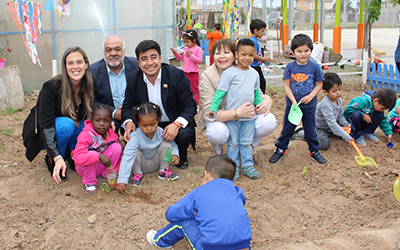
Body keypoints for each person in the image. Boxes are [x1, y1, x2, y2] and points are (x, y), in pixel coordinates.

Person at [146, 155, 252, 249]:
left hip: (211, 247)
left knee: (183, 222)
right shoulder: (237, 191)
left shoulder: (200, 192)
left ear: (206, 174)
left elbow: (172, 214)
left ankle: (158, 241)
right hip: (243, 246)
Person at [22, 46, 94, 184]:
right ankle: (53, 159)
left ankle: (74, 155)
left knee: (86, 124)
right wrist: (57, 156)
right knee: (67, 125)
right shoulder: (51, 87)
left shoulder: (89, 85)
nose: (75, 67)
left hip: (68, 129)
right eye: (70, 63)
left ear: (86, 64)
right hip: (43, 134)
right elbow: (46, 125)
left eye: (79, 62)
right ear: (65, 66)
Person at [122, 40, 197, 170]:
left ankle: (181, 155)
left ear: (161, 58)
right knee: (128, 130)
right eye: (144, 59)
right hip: (148, 122)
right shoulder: (133, 78)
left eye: (154, 57)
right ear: (138, 63)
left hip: (172, 121)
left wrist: (176, 124)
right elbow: (128, 105)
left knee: (184, 133)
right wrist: (128, 122)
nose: (150, 63)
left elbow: (190, 106)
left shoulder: (176, 75)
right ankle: (147, 157)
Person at [198, 39, 276, 163]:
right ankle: (217, 150)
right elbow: (208, 111)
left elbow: (258, 93)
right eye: (218, 53)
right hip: (221, 116)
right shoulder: (208, 75)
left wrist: (268, 101)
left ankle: (250, 145)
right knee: (217, 132)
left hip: (246, 118)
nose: (222, 56)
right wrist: (236, 114)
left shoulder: (247, 71)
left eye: (226, 52)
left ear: (235, 55)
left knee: (269, 121)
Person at [207, 38, 263, 182]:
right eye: (243, 54)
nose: (247, 58)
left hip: (249, 116)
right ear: (237, 55)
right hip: (234, 117)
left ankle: (248, 165)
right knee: (233, 143)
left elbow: (256, 92)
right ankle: (234, 167)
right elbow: (220, 93)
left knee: (246, 142)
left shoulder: (254, 74)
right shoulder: (229, 73)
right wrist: (213, 109)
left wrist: (260, 104)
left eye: (251, 55)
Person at [269, 34, 327, 165]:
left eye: (306, 51)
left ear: (311, 50)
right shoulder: (290, 67)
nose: (303, 54)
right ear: (293, 52)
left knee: (311, 129)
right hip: (293, 106)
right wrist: (293, 100)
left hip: (310, 106)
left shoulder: (315, 67)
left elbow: (319, 84)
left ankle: (314, 151)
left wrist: (311, 96)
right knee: (288, 129)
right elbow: (286, 85)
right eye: (299, 51)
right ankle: (281, 149)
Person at [116, 102, 179, 193]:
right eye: (144, 125)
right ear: (138, 123)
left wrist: (175, 154)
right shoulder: (135, 136)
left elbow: (172, 144)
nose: (149, 129)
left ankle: (163, 171)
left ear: (158, 121)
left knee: (166, 145)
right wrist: (122, 180)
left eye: (153, 124)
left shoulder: (160, 132)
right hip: (141, 165)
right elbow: (127, 157)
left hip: (156, 163)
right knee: (135, 152)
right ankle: (137, 175)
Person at [91, 35, 139, 134]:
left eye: (117, 49)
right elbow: (92, 101)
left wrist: (129, 111)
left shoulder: (137, 66)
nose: (113, 53)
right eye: (108, 50)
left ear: (124, 51)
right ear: (104, 53)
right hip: (108, 118)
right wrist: (113, 113)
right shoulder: (93, 72)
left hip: (135, 116)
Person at [72, 104, 122, 194]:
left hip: (100, 165)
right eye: (97, 120)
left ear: (111, 122)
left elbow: (119, 155)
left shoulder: (111, 134)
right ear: (91, 121)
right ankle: (89, 182)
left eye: (106, 121)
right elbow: (78, 157)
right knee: (90, 154)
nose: (102, 124)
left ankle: (106, 174)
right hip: (84, 167)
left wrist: (116, 170)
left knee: (117, 147)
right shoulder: (86, 135)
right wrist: (98, 156)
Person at [315, 73, 353, 150]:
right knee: (324, 145)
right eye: (334, 91)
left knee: (347, 133)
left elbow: (340, 116)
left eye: (340, 89)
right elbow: (332, 124)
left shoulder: (338, 100)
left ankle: (330, 134)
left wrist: (346, 125)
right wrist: (347, 138)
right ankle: (303, 133)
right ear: (325, 92)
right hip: (319, 127)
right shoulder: (325, 105)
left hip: (330, 127)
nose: (338, 92)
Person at [171, 29, 203, 106]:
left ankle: (196, 104)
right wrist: (175, 53)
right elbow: (179, 58)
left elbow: (199, 60)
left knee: (194, 89)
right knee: (185, 88)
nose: (185, 44)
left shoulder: (198, 49)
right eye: (185, 42)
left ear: (194, 40)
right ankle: (187, 103)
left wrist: (191, 55)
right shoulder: (185, 48)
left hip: (193, 72)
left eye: (187, 42)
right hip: (185, 71)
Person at [250, 18, 270, 94]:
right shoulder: (253, 41)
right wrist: (264, 59)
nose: (263, 33)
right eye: (262, 31)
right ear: (255, 30)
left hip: (256, 65)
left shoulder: (256, 40)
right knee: (261, 83)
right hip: (254, 65)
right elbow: (254, 55)